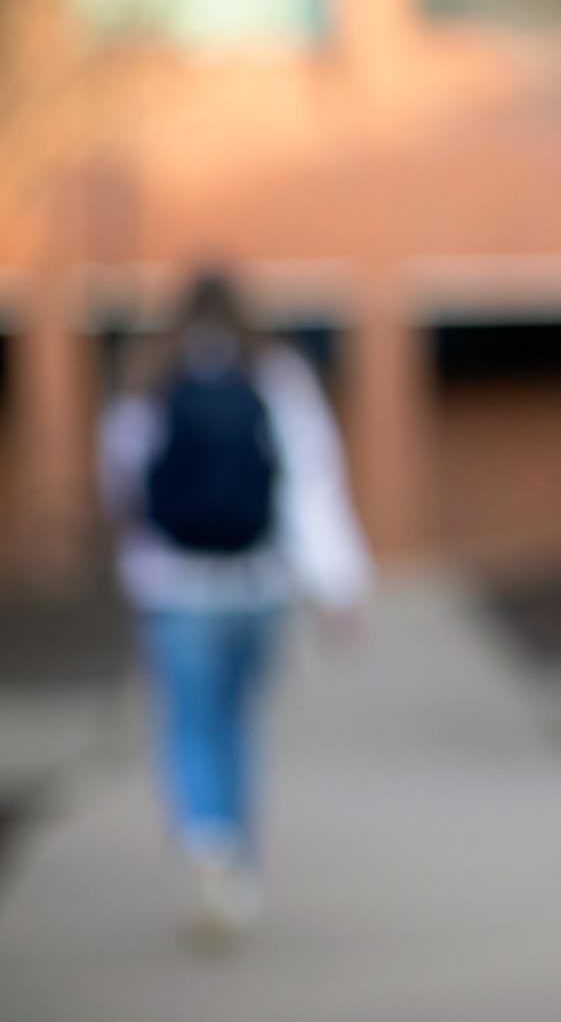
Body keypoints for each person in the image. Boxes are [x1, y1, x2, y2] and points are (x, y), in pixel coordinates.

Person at [98, 267, 371, 945]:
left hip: (174, 588)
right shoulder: (275, 375)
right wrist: (337, 587)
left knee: (190, 723)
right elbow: (311, 484)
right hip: (258, 587)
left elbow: (122, 485)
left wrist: (135, 567)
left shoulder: (148, 380)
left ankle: (205, 841)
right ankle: (235, 867)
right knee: (235, 723)